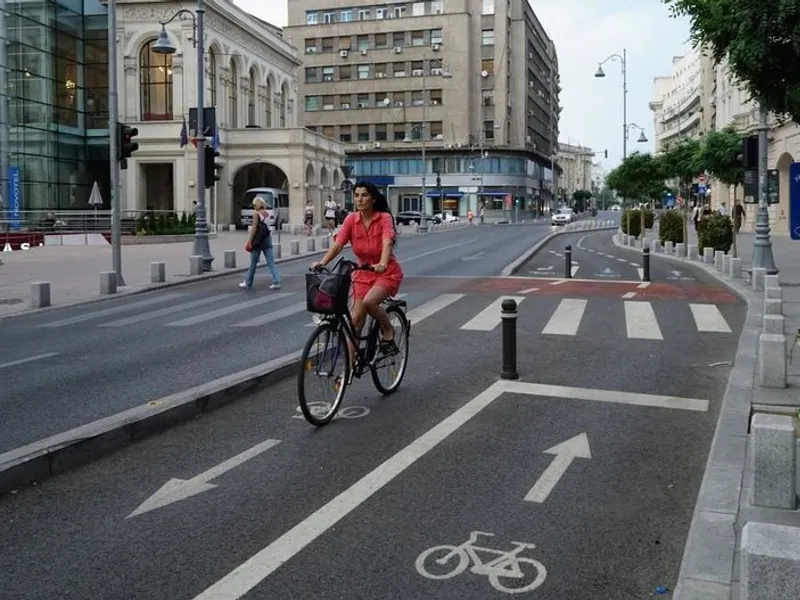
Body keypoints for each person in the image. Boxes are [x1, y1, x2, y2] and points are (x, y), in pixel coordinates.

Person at [310, 181, 403, 357]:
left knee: (369, 302)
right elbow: (338, 245)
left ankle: (388, 329)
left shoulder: (384, 218)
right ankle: (349, 371)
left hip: (385, 272)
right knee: (355, 321)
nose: (359, 199)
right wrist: (322, 262)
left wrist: (382, 263)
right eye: (357, 195)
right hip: (362, 273)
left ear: (373, 199)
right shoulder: (351, 220)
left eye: (364, 195)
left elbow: (387, 242)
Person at [239, 196, 281, 290]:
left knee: (253, 263)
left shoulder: (256, 214)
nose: (254, 207)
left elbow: (254, 228)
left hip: (258, 240)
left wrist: (249, 241)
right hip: (267, 238)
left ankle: (248, 282)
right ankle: (276, 281)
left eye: (254, 205)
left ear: (257, 204)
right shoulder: (267, 213)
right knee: (271, 262)